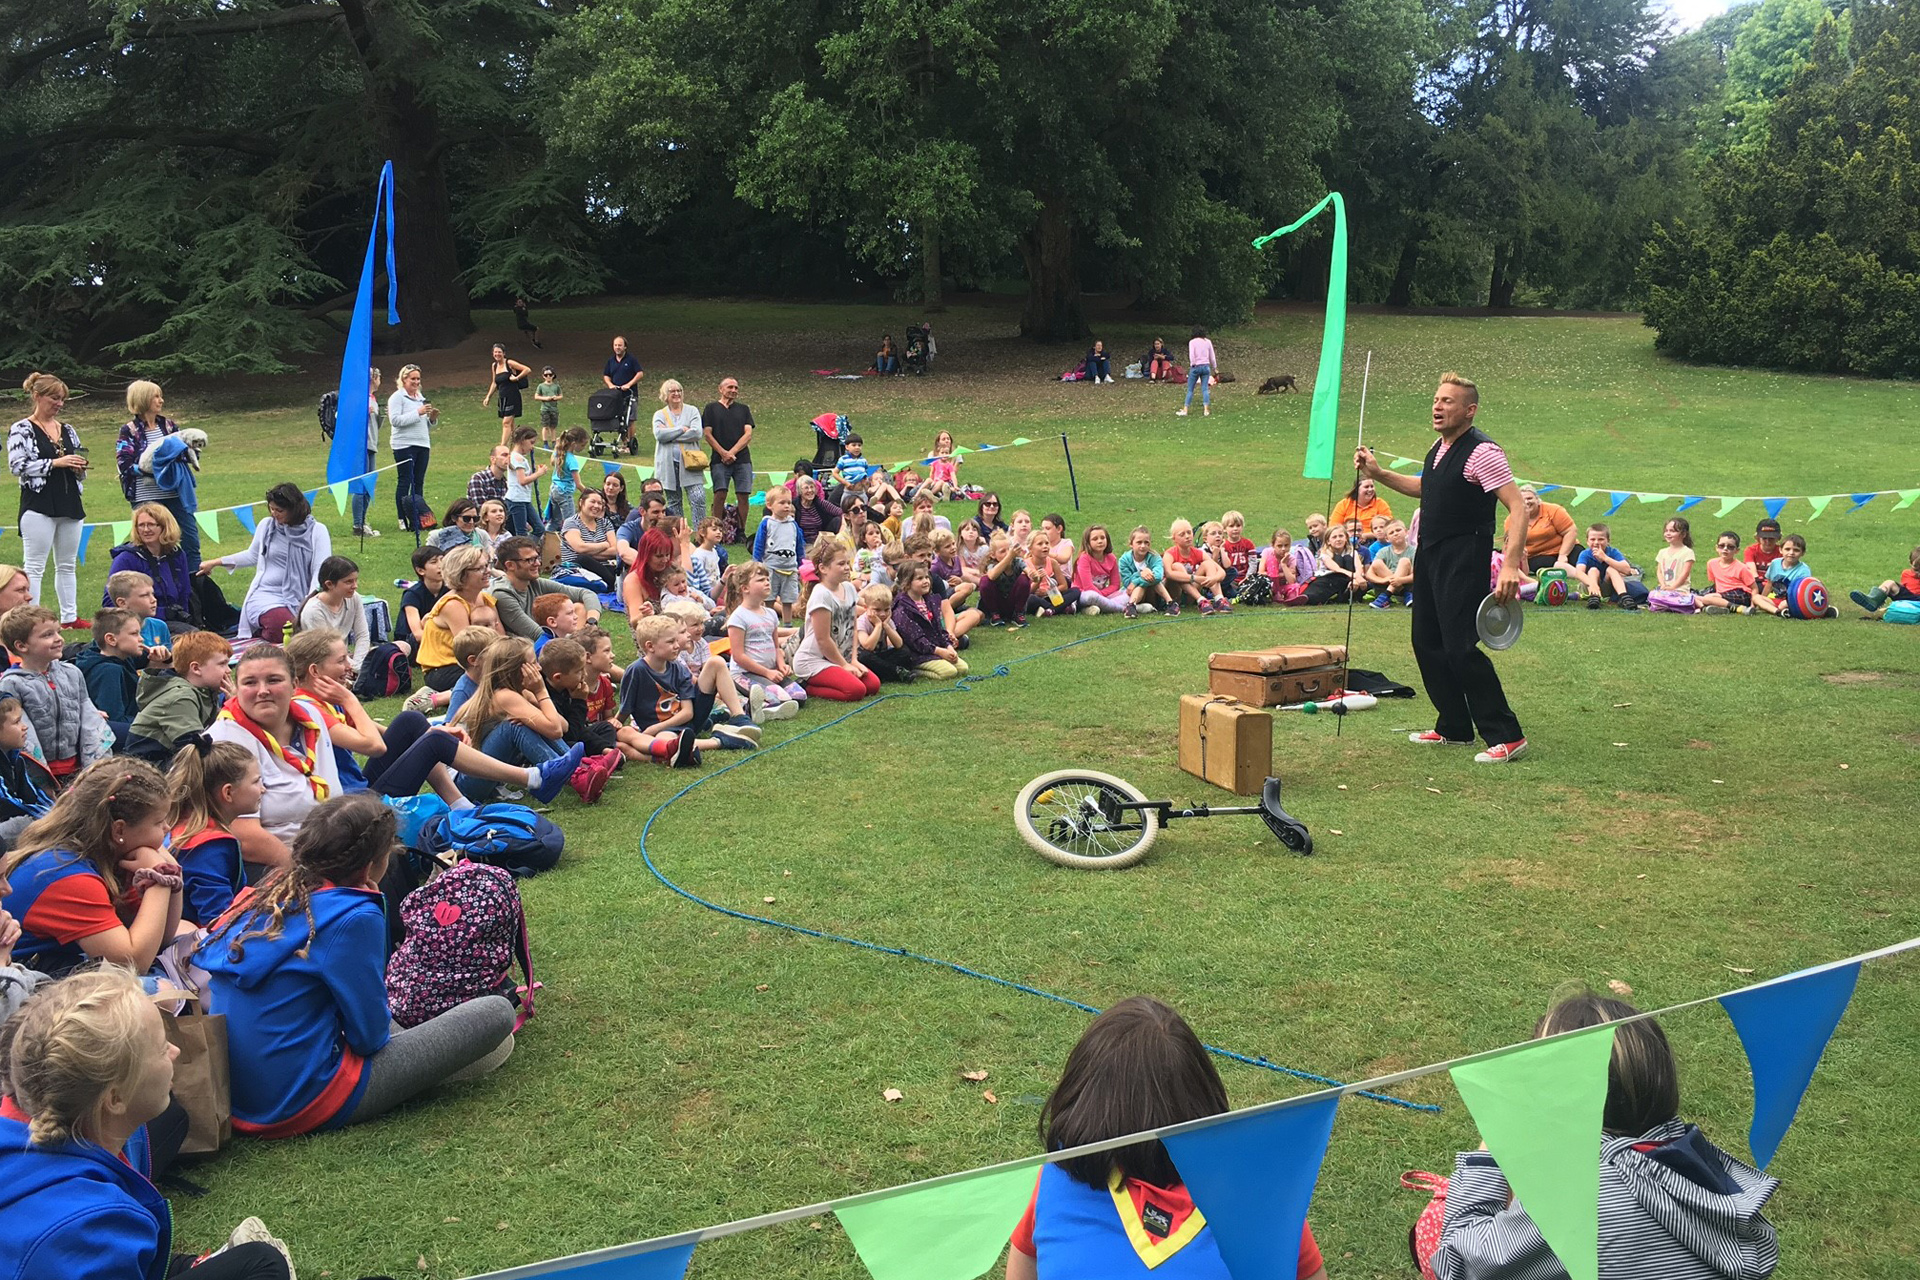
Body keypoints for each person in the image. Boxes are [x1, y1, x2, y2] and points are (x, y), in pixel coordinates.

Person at [196, 794, 518, 1137]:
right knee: (497, 1015)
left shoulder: (269, 893)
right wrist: (373, 906)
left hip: (243, 1102)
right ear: (371, 866)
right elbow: (370, 1038)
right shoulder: (352, 915)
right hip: (307, 1101)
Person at [1430, 994, 1778, 1280]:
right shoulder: (1695, 1158)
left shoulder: (1580, 1202)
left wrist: (1489, 1156)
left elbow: (1462, 1263)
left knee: (1433, 1233)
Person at [0, 967, 298, 1279]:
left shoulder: (25, 1140)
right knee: (262, 1263)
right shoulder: (96, 1224)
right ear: (115, 1098)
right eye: (160, 1046)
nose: (175, 1051)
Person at [1005, 995, 1328, 1280]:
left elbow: (1023, 1266)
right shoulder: (1261, 1193)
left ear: (1082, 1100)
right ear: (1201, 1097)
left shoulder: (1056, 1178)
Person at [1356, 372, 1528, 763]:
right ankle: (1454, 726)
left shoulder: (1484, 452)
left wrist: (1510, 566)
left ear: (1470, 410)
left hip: (1464, 555)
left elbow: (1517, 508)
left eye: (1448, 401)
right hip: (1430, 554)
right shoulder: (1439, 447)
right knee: (1427, 642)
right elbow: (1425, 487)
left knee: (1460, 646)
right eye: (1436, 399)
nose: (1437, 406)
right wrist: (1378, 473)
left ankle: (1507, 735)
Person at [0, 759, 178, 977]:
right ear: (119, 830)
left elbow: (160, 939)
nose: (168, 828)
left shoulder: (108, 857)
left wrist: (173, 874)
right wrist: (158, 877)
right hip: (19, 985)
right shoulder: (66, 874)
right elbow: (133, 964)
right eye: (159, 822)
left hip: (51, 966)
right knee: (157, 990)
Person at [450, 638, 604, 802]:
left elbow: (563, 726)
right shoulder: (504, 696)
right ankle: (576, 777)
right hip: (464, 783)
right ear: (515, 670)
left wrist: (534, 701)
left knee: (528, 722)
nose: (539, 668)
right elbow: (555, 730)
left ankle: (580, 771)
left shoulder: (519, 693)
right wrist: (541, 691)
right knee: (514, 727)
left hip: (477, 775)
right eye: (533, 664)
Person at [203, 482, 331, 643]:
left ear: (294, 509)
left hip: (301, 594)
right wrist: (216, 562)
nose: (274, 514)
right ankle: (263, 635)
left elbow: (320, 569)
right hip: (266, 593)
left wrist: (311, 600)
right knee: (284, 626)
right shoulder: (267, 525)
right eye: (271, 509)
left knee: (308, 627)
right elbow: (252, 555)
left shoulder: (317, 530)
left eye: (279, 510)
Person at [9, 372, 89, 625]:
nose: (59, 404)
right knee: (35, 565)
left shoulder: (68, 429)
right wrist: (55, 463)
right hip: (39, 503)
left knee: (67, 564)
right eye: (54, 398)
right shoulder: (22, 428)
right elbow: (17, 466)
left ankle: (69, 616)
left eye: (63, 399)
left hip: (69, 502)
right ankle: (30, 618)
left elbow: (78, 459)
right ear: (37, 396)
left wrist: (79, 467)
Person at [0, 607, 109, 787]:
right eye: (47, 635)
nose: (59, 639)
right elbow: (23, 736)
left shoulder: (72, 673)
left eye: (58, 632)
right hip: (39, 771)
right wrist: (40, 780)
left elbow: (88, 716)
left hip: (78, 767)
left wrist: (94, 766)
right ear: (21, 646)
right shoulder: (12, 684)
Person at [166, 738, 257, 928]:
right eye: (256, 782)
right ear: (228, 793)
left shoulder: (178, 825)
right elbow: (217, 920)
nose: (263, 789)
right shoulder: (208, 846)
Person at [116, 379, 206, 568]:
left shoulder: (170, 426)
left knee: (190, 539)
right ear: (143, 399)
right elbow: (124, 463)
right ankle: (155, 583)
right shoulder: (129, 430)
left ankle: (195, 585)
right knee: (150, 544)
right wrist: (153, 470)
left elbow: (188, 451)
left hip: (175, 493)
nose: (161, 400)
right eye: (156, 396)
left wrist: (185, 457)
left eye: (160, 396)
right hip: (146, 497)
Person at [792, 537, 880, 701]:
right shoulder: (821, 594)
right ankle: (805, 685)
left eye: (847, 563)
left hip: (839, 657)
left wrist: (853, 659)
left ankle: (838, 673)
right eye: (841, 564)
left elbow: (852, 628)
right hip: (814, 659)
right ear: (823, 568)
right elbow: (823, 640)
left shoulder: (848, 588)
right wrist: (844, 665)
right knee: (855, 691)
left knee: (873, 685)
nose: (847, 568)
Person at [128, 631, 233, 762]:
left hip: (169, 760)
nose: (229, 670)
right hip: (150, 766)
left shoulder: (205, 692)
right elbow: (197, 750)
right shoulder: (182, 698)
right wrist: (234, 710)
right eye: (222, 664)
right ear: (196, 668)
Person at [723, 563, 806, 713]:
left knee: (800, 696)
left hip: (770, 671)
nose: (767, 582)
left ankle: (765, 704)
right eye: (761, 580)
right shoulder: (739, 617)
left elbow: (775, 646)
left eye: (767, 579)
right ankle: (748, 705)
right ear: (745, 588)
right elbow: (738, 656)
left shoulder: (771, 614)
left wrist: (781, 665)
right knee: (782, 698)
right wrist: (767, 673)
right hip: (744, 674)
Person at [416, 546, 501, 691]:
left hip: (474, 661)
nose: (487, 571)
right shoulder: (453, 605)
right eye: (479, 568)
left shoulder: (485, 598)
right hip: (444, 669)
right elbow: (470, 647)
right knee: (498, 680)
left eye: (487, 565)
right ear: (461, 575)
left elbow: (500, 636)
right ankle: (435, 698)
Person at [492, 535, 602, 640]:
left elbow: (586, 593)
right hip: (524, 648)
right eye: (530, 560)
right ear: (510, 565)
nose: (538, 563)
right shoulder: (502, 594)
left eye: (537, 558)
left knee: (580, 607)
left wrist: (591, 622)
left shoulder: (536, 583)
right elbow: (536, 634)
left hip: (549, 640)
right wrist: (578, 640)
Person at [106, 504, 197, 630]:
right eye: (141, 525)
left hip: (175, 620)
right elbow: (110, 602)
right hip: (139, 623)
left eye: (151, 524)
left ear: (165, 527)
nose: (145, 530)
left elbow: (184, 593)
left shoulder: (177, 555)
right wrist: (163, 613)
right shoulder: (126, 559)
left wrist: (184, 618)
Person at [74, 608, 148, 749]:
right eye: (134, 634)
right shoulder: (109, 672)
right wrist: (149, 720)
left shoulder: (121, 658)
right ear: (111, 639)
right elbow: (114, 719)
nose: (141, 639)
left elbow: (150, 659)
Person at [700, 377, 756, 541]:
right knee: (720, 493)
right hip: (719, 460)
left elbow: (748, 434)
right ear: (720, 389)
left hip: (742, 459)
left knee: (743, 495)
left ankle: (741, 531)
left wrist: (732, 452)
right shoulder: (711, 408)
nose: (733, 390)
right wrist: (723, 453)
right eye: (730, 387)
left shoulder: (743, 409)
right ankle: (715, 529)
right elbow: (707, 434)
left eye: (736, 388)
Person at [386, 364, 438, 532]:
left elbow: (423, 425)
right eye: (412, 379)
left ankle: (420, 517)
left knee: (419, 481)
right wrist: (418, 412)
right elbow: (395, 421)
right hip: (404, 445)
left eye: (418, 379)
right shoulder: (397, 397)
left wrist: (432, 419)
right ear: (404, 380)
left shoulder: (420, 397)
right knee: (405, 481)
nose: (416, 382)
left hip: (422, 443)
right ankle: (402, 518)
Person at [648, 379, 708, 525]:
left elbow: (696, 433)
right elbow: (660, 436)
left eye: (679, 390)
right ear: (665, 395)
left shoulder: (692, 410)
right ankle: (679, 532)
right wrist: (681, 429)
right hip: (667, 463)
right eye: (672, 391)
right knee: (674, 502)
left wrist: (669, 434)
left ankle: (700, 532)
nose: (676, 393)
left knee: (698, 497)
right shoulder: (659, 414)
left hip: (691, 461)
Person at [0, 696, 53, 845]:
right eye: (17, 722)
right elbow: (7, 803)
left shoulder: (17, 759)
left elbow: (32, 794)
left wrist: (58, 810)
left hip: (11, 819)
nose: (25, 727)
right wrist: (51, 818)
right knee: (26, 825)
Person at [752, 486, 805, 622]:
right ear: (770, 505)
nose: (786, 506)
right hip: (771, 568)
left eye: (789, 502)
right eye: (782, 503)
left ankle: (787, 624)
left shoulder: (793, 525)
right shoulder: (767, 524)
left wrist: (801, 564)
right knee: (769, 597)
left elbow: (799, 546)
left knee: (788, 599)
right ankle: (769, 622)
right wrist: (756, 563)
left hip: (790, 569)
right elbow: (758, 544)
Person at [558, 490, 623, 591]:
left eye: (600, 503)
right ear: (581, 502)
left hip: (603, 566)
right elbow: (580, 547)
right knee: (583, 558)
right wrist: (605, 544)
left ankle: (610, 583)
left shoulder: (605, 523)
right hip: (577, 567)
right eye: (592, 502)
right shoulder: (571, 522)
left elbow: (615, 550)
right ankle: (611, 583)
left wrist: (590, 553)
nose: (596, 506)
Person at [1574, 523, 1648, 609]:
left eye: (1601, 539)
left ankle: (1624, 597)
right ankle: (1594, 597)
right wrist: (1592, 584)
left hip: (1607, 587)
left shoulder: (1613, 552)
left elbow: (1627, 570)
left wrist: (1605, 558)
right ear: (1587, 541)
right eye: (1592, 539)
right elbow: (1578, 572)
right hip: (1589, 586)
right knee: (1593, 570)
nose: (1596, 542)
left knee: (1612, 569)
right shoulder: (1585, 554)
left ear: (1608, 541)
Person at [482, 344, 534, 449]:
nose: (497, 354)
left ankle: (502, 447)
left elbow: (527, 369)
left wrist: (517, 378)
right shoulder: (494, 366)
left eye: (499, 352)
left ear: (504, 353)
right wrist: (488, 397)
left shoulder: (509, 363)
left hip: (512, 396)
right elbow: (494, 383)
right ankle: (517, 444)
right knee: (511, 424)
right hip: (502, 397)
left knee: (506, 422)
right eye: (495, 352)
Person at [1696, 531, 1760, 615]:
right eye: (1722, 546)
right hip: (1721, 594)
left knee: (1706, 599)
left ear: (1737, 550)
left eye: (1730, 547)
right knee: (1692, 595)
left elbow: (1754, 588)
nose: (1725, 549)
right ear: (1716, 547)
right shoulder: (1711, 563)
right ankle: (1714, 608)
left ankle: (1738, 608)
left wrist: (1752, 605)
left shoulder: (1742, 568)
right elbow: (1716, 582)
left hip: (1740, 594)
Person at [1514, 486, 1577, 572]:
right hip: (1537, 556)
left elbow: (1570, 531)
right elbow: (1511, 543)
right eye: (1523, 500)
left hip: (1564, 550)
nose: (1526, 502)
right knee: (1542, 563)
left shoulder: (1554, 510)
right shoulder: (1513, 519)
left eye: (1529, 498)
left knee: (1581, 556)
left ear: (1537, 499)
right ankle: (1567, 570)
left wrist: (1563, 555)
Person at [352, 366, 384, 537]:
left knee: (369, 484)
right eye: (379, 377)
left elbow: (375, 426)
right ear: (373, 378)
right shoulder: (360, 398)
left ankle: (363, 521)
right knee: (361, 485)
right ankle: (358, 524)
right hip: (361, 446)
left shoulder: (373, 399)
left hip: (372, 444)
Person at [1070, 526, 1129, 615]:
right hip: (1084, 594)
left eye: (1102, 538)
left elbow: (1115, 585)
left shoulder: (1111, 558)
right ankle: (1122, 608)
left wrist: (1102, 595)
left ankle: (1095, 608)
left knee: (1128, 593)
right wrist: (1101, 597)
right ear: (1088, 543)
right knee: (1092, 596)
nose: (1100, 541)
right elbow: (1088, 587)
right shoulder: (1084, 558)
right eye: (1095, 539)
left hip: (1103, 594)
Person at [1849, 544, 1920, 616]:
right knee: (1889, 583)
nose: (1918, 572)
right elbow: (1905, 589)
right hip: (1907, 599)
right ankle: (1873, 600)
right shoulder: (1906, 573)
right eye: (1916, 569)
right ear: (1910, 562)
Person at [602, 336, 644, 453]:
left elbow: (640, 373)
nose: (617, 347)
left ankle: (631, 443)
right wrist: (610, 384)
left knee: (630, 420)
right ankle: (624, 443)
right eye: (615, 345)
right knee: (619, 419)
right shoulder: (611, 361)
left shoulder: (631, 360)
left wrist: (629, 384)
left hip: (630, 395)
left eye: (620, 345)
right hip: (616, 395)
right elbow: (606, 375)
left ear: (625, 347)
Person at [504, 426, 548, 536]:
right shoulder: (517, 458)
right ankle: (523, 551)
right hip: (517, 499)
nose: (532, 447)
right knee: (521, 532)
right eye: (531, 442)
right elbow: (522, 480)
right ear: (522, 440)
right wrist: (539, 473)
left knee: (539, 528)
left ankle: (530, 548)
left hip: (524, 499)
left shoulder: (518, 457)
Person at [1365, 520, 1417, 607]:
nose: (1396, 534)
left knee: (1404, 561)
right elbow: (1369, 574)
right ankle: (1405, 594)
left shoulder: (1414, 551)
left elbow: (1418, 574)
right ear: (1387, 539)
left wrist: (1400, 580)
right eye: (1391, 532)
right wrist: (1385, 580)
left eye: (1398, 530)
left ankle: (1386, 596)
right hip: (1388, 583)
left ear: (1406, 532)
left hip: (1407, 583)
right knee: (1377, 563)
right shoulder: (1383, 552)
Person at [548, 425, 587, 526]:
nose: (583, 448)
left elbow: (552, 461)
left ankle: (546, 539)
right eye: (582, 445)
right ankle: (568, 541)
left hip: (554, 490)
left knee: (555, 521)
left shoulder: (560, 453)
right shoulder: (572, 460)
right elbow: (578, 484)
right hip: (564, 493)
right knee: (570, 523)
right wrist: (589, 494)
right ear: (574, 444)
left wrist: (556, 447)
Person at [1178, 326, 1217, 418]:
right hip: (1206, 367)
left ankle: (1185, 409)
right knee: (1205, 389)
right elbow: (1212, 356)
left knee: (1190, 389)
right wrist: (1215, 367)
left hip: (1196, 367)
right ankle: (1206, 410)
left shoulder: (1192, 342)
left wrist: (1193, 364)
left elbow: (1192, 355)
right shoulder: (1208, 342)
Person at [1654, 517, 1696, 596]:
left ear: (1683, 534)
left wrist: (1673, 587)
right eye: (1666, 531)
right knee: (1653, 596)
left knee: (1676, 598)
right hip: (1664, 588)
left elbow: (1685, 573)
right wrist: (1663, 585)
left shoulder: (1687, 552)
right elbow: (1659, 571)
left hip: (1680, 590)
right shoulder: (1662, 552)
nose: (1668, 533)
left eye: (1672, 531)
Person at [468, 443, 510, 508]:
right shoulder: (478, 479)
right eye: (504, 455)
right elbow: (481, 510)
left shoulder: (507, 483)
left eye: (510, 455)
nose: (509, 458)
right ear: (493, 459)